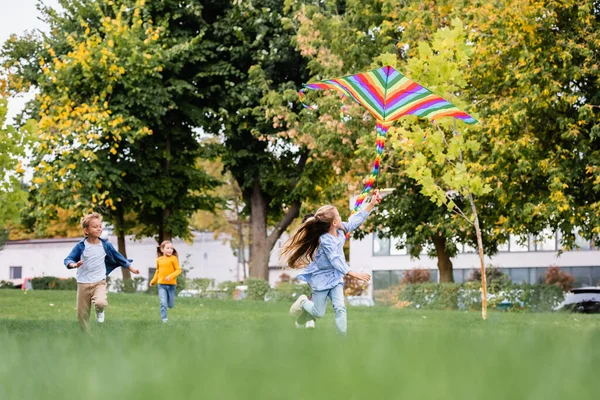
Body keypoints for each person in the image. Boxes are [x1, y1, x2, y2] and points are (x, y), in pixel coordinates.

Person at [280, 190, 381, 335]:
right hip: (320, 278)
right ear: (334, 222)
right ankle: (302, 301)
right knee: (318, 312)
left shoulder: (340, 229)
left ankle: (342, 339)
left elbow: (354, 220)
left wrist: (371, 203)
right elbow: (335, 260)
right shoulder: (326, 240)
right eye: (339, 215)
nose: (341, 217)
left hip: (335, 277)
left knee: (340, 307)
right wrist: (354, 273)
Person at [64, 212, 139, 332]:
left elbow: (119, 257)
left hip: (99, 281)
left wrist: (131, 268)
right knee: (82, 315)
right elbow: (68, 259)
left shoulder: (106, 245)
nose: (99, 228)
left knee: (100, 303)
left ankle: (100, 311)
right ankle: (88, 338)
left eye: (100, 226)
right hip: (83, 283)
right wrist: (74, 264)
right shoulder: (80, 246)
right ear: (86, 231)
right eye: (95, 226)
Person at [149, 241, 181, 323]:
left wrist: (171, 276)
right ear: (162, 249)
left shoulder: (173, 259)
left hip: (171, 286)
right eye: (168, 248)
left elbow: (178, 270)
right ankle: (164, 319)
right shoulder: (159, 260)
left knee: (170, 305)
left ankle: (168, 306)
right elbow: (157, 271)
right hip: (161, 285)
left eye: (171, 248)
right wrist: (153, 281)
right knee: (163, 303)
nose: (170, 250)